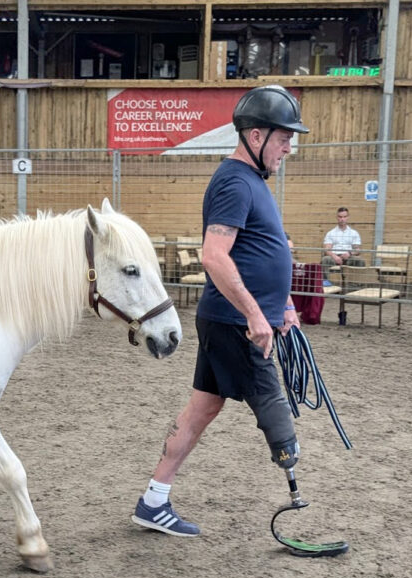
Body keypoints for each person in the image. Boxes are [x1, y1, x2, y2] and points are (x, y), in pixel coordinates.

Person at [131, 85, 305, 537]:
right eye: (284, 138)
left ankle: (153, 501)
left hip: (232, 319)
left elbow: (263, 251)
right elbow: (214, 255)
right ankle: (297, 497)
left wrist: (282, 303)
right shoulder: (233, 181)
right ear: (255, 135)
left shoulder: (253, 182)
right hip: (237, 325)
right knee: (274, 413)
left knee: (201, 410)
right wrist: (255, 315)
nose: (289, 147)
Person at [321, 207, 365, 285]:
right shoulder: (331, 233)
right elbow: (327, 249)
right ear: (337, 217)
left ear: (348, 217)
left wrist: (350, 253)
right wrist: (334, 256)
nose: (342, 219)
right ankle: (325, 282)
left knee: (360, 261)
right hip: (335, 257)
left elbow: (357, 249)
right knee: (325, 259)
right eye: (340, 217)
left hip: (349, 257)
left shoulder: (354, 233)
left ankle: (355, 284)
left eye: (344, 217)